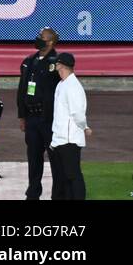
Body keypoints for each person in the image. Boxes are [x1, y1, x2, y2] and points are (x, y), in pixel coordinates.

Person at [16, 27, 61, 201]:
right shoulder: (29, 61)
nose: (38, 39)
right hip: (32, 118)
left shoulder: (57, 62)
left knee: (55, 158)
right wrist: (22, 115)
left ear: (50, 41)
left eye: (41, 37)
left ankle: (59, 194)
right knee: (34, 158)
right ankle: (33, 193)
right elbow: (22, 90)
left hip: (49, 119)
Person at [49, 52, 89, 200]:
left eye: (57, 63)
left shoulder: (73, 86)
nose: (55, 66)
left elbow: (78, 113)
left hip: (69, 140)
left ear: (62, 65)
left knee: (73, 176)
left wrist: (85, 127)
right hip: (60, 139)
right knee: (64, 177)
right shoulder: (62, 84)